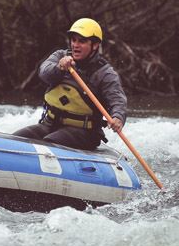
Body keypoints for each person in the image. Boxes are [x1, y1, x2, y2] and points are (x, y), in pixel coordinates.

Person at [13, 18, 127, 150]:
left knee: (49, 143)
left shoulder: (105, 73)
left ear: (95, 45)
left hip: (85, 133)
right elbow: (44, 73)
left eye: (82, 41)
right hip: (50, 124)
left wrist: (117, 117)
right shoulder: (59, 56)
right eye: (74, 40)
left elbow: (117, 100)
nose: (75, 45)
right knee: (16, 140)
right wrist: (59, 68)